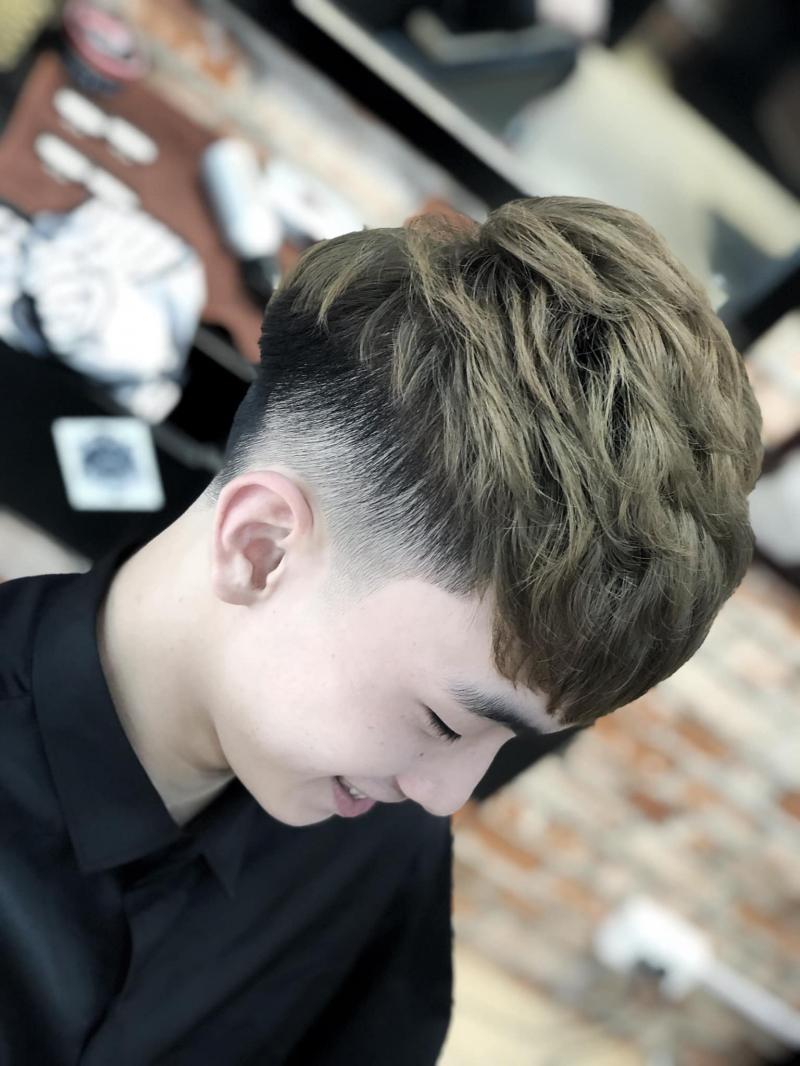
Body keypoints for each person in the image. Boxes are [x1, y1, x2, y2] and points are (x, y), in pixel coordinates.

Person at [0, 195, 763, 1064]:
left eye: (504, 743)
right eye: (444, 720)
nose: (446, 797)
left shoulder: (374, 847)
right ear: (261, 549)